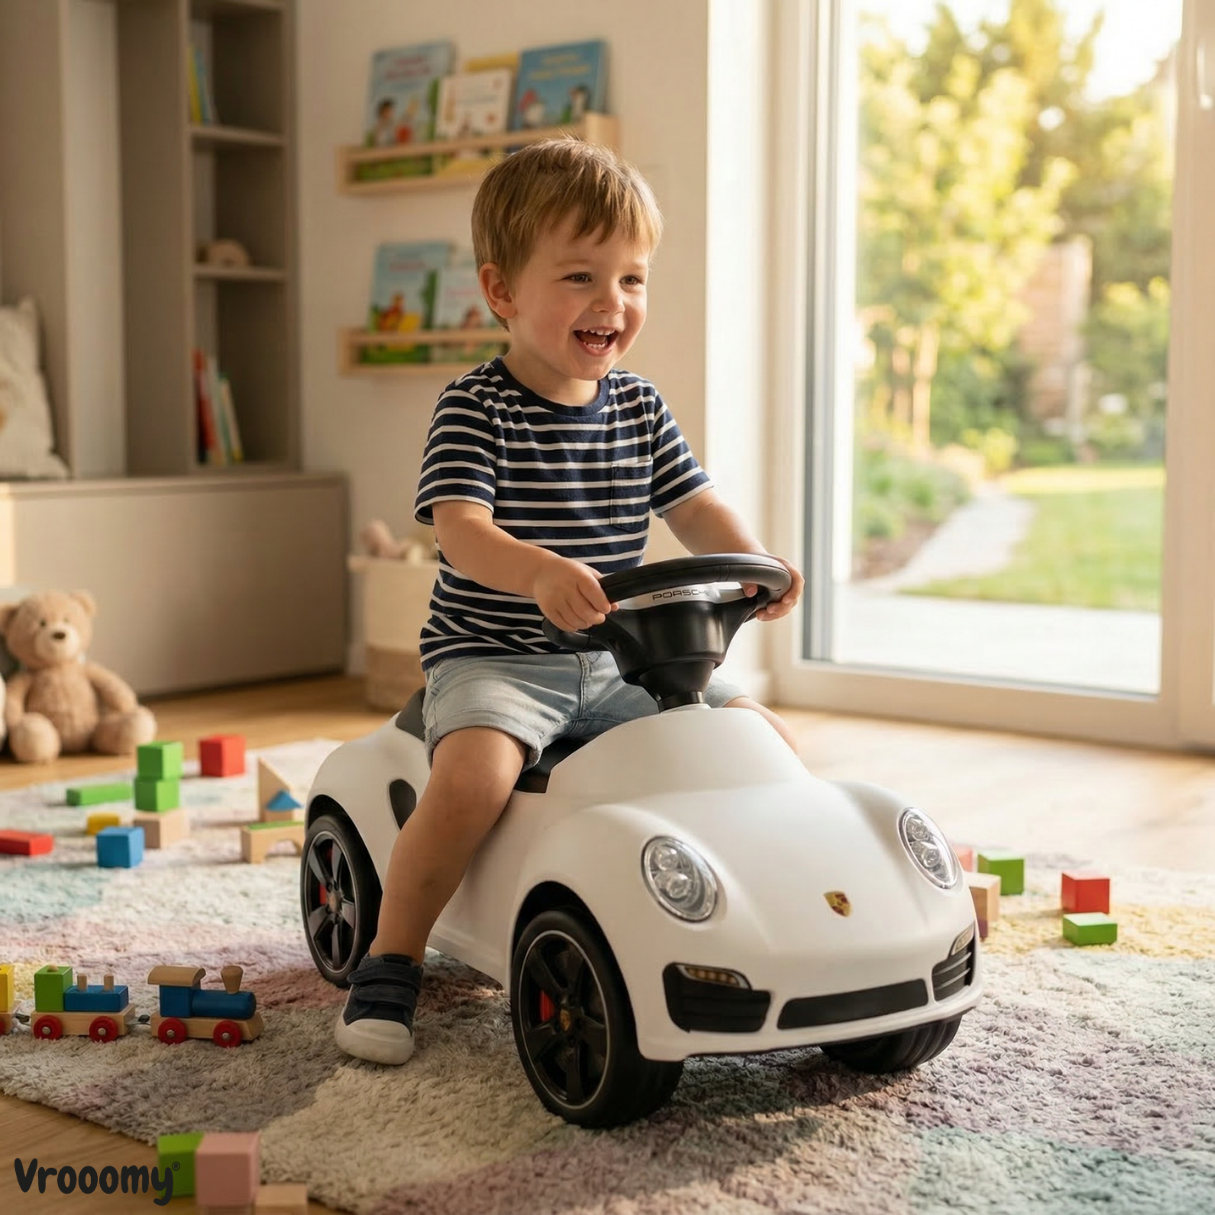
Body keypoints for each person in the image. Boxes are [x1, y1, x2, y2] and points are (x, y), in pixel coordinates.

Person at [335, 137, 805, 1066]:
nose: (612, 304)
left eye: (631, 279)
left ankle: (785, 909)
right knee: (473, 779)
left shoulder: (638, 406)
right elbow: (461, 531)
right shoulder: (477, 407)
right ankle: (392, 957)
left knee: (756, 736)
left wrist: (752, 560)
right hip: (497, 657)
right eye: (581, 276)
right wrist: (538, 568)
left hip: (619, 659)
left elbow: (696, 505)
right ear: (502, 291)